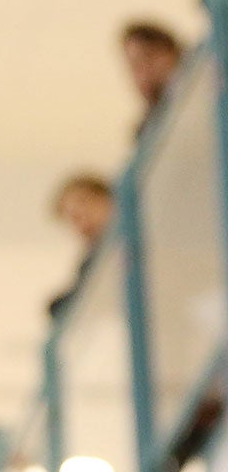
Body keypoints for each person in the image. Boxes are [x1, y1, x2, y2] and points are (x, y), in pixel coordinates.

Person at [47, 172, 114, 318]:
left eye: (84, 208)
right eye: (74, 220)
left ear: (105, 198)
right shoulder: (92, 263)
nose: (83, 224)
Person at [120, 20, 184, 140]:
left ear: (173, 53)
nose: (143, 72)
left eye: (148, 57)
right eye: (134, 66)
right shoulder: (146, 133)